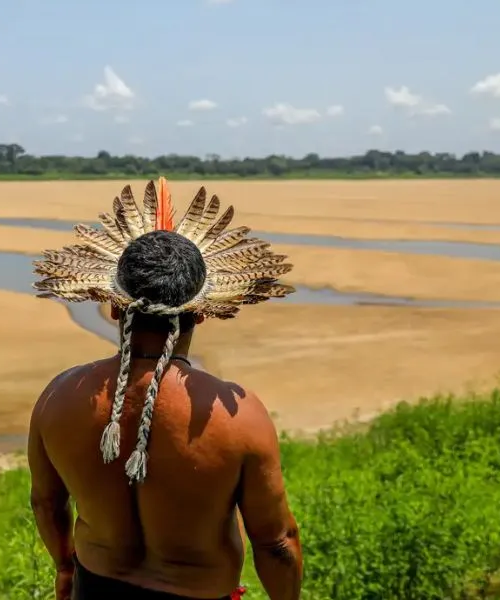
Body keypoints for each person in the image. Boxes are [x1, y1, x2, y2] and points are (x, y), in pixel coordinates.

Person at [28, 178, 303, 600]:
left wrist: (66, 568)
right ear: (204, 312)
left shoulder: (59, 396)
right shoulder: (239, 418)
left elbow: (47, 504)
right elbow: (277, 542)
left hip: (96, 586)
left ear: (115, 306)